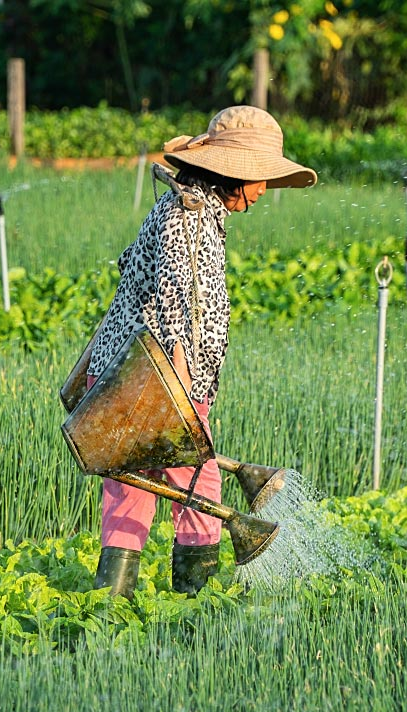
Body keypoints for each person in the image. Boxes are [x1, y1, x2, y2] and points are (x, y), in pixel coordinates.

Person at [85, 105, 317, 598]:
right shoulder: (187, 219)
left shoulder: (192, 212)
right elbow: (177, 306)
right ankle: (196, 603)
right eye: (259, 181)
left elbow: (136, 271)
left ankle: (110, 603)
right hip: (158, 383)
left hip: (124, 378)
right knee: (199, 486)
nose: (260, 193)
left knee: (131, 487)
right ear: (232, 172)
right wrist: (185, 400)